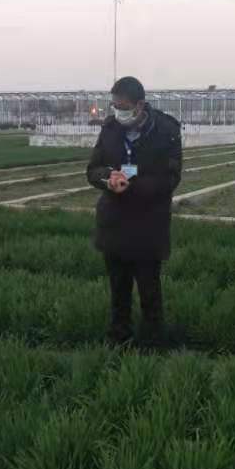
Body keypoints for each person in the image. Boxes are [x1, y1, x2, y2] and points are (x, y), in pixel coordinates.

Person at [86, 76, 183, 348]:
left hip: (148, 226)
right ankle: (119, 341)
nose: (119, 112)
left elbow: (170, 178)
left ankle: (152, 344)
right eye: (115, 106)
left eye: (124, 107)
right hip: (114, 224)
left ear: (140, 105)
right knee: (119, 291)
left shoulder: (166, 130)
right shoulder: (110, 129)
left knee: (150, 292)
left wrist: (133, 185)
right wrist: (108, 178)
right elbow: (92, 169)